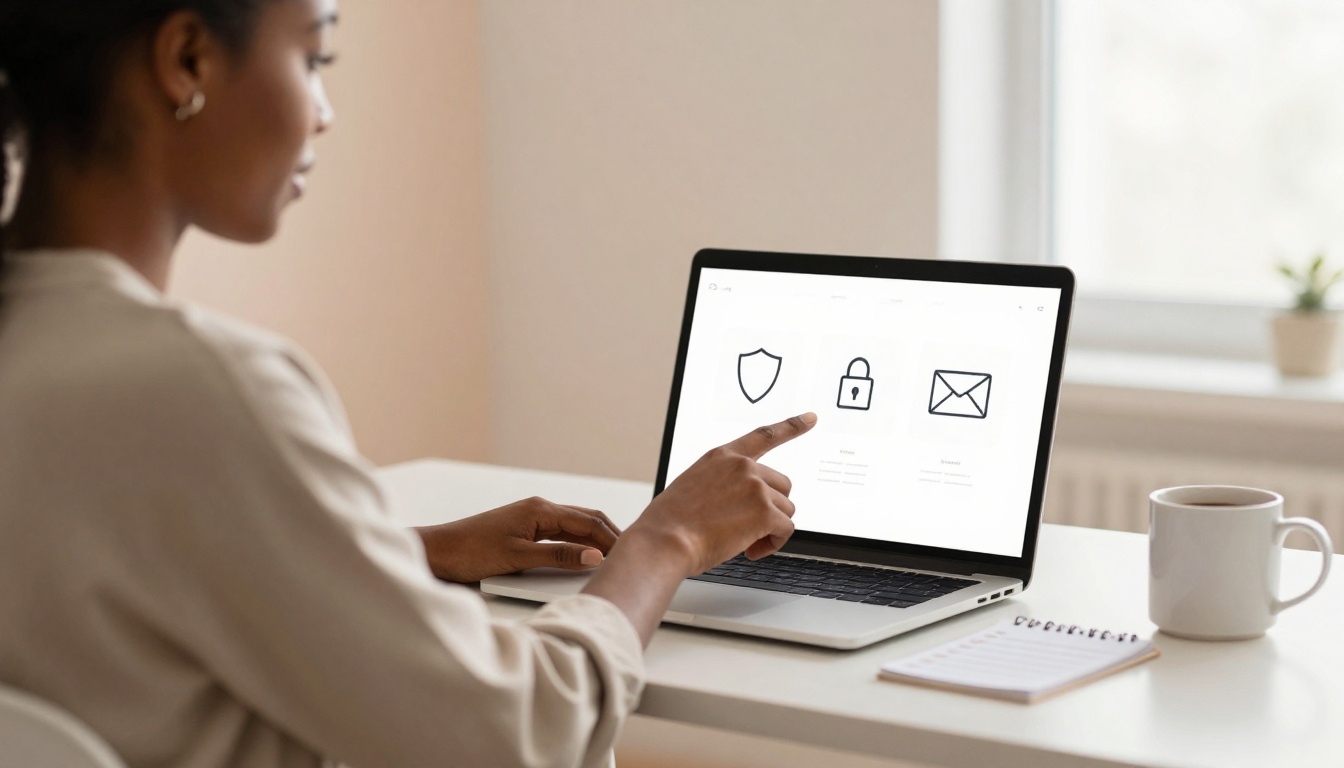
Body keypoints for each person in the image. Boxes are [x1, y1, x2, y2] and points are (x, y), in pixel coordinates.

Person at [0, 1, 815, 767]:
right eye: (314, 58)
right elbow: (515, 732)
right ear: (187, 59)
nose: (324, 112)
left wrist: (400, 556)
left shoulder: (47, 354)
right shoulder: (201, 389)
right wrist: (667, 540)